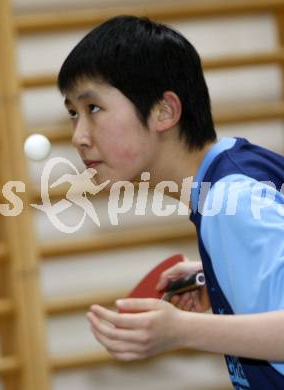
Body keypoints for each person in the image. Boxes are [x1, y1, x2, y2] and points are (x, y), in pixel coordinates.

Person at [57, 15, 284, 389]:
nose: (78, 136)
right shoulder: (236, 175)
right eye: (72, 114)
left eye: (93, 108)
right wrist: (213, 276)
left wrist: (182, 330)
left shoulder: (233, 201)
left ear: (164, 111)